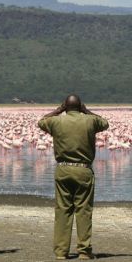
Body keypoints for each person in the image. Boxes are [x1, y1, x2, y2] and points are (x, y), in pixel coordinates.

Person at [38, 95, 109, 260]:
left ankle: (61, 252)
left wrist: (58, 110)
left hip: (63, 169)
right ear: (80, 107)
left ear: (65, 107)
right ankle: (84, 251)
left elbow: (41, 121)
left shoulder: (56, 121)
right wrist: (87, 111)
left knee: (63, 210)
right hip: (83, 170)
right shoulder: (90, 121)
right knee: (83, 211)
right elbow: (105, 122)